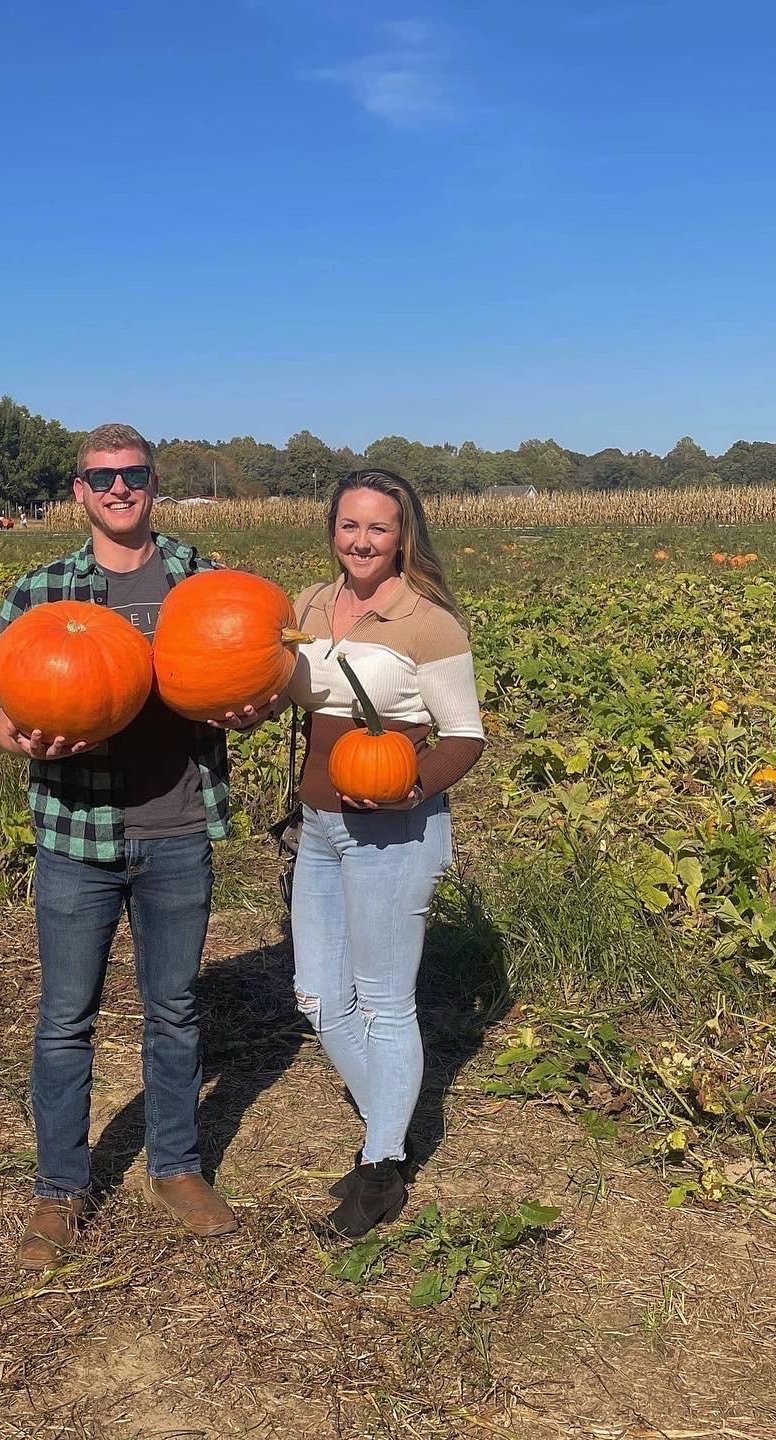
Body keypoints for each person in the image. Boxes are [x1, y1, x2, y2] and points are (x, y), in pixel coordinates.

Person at [0, 422, 275, 1269]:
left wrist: (255, 708)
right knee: (64, 1019)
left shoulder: (204, 579)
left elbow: (251, 672)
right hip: (76, 836)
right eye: (101, 477)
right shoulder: (43, 591)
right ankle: (59, 1192)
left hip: (178, 825)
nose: (119, 489)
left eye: (134, 475)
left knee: (176, 1010)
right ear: (78, 490)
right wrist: (26, 743)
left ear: (153, 483)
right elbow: (5, 716)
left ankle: (175, 1168)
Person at [285, 469, 485, 1237]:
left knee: (383, 1001)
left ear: (403, 536)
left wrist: (409, 790)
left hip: (395, 831)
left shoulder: (427, 622)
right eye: (348, 526)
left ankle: (381, 1165)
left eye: (377, 528)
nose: (361, 541)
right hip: (322, 824)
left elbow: (464, 734)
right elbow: (280, 686)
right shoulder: (307, 604)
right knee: (318, 998)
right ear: (331, 530)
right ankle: (390, 1133)